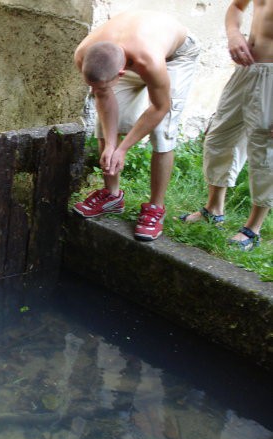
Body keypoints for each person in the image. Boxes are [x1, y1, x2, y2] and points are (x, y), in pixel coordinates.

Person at [72, 10, 200, 241]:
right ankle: (112, 196)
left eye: (104, 85)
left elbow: (160, 107)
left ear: (121, 73)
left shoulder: (149, 61)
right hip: (128, 49)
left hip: (175, 56)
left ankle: (156, 207)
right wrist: (111, 143)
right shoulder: (84, 54)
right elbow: (103, 95)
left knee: (162, 132)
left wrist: (122, 149)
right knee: (105, 127)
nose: (97, 91)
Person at [179, 0, 272, 251]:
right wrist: (233, 34)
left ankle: (252, 229)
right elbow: (237, 7)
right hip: (246, 70)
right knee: (220, 138)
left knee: (264, 152)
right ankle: (213, 209)